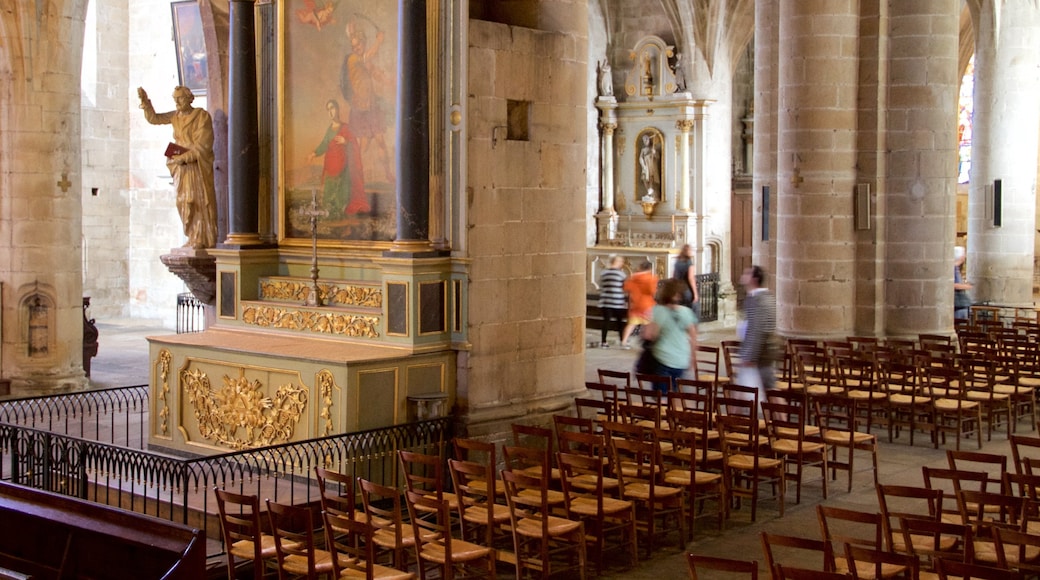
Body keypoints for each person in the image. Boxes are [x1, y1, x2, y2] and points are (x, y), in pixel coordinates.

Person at [138, 86, 218, 249]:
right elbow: (155, 119)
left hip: (196, 167)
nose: (177, 102)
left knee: (195, 201)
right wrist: (145, 103)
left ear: (189, 98)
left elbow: (203, 146)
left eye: (180, 98)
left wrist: (185, 157)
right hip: (180, 167)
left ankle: (200, 238)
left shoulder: (201, 116)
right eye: (174, 99)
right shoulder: (175, 116)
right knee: (181, 201)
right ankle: (191, 236)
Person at [340, 21, 394, 184]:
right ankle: (352, 178)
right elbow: (367, 57)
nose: (356, 48)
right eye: (354, 46)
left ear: (363, 43)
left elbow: (376, 73)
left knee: (380, 141)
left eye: (359, 45)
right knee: (363, 146)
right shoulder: (352, 60)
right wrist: (379, 40)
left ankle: (387, 174)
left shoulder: (364, 61)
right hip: (360, 109)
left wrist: (389, 81)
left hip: (372, 107)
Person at [307, 99, 370, 216]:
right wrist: (313, 154)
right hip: (331, 165)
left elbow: (355, 145)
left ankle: (340, 211)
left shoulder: (346, 127)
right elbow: (324, 144)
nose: (330, 112)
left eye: (332, 108)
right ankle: (331, 212)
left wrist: (346, 141)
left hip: (343, 168)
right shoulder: (330, 129)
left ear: (337, 109)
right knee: (329, 196)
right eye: (328, 109)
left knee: (342, 197)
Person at [637, 278, 699, 394]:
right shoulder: (686, 312)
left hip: (662, 358)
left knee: (662, 399)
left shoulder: (657, 311)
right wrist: (692, 359)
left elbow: (649, 335)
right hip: (681, 359)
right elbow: (693, 338)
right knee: (677, 396)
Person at [737, 265, 778, 396]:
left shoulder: (758, 300)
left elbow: (755, 329)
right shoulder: (762, 297)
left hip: (760, 354)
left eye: (747, 274)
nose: (743, 276)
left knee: (770, 390)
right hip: (761, 352)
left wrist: (749, 356)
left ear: (754, 279)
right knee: (768, 391)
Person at [621, 260, 658, 349]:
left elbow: (626, 287)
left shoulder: (634, 278)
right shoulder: (651, 278)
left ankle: (624, 341)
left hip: (635, 304)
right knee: (649, 324)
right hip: (647, 304)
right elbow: (652, 291)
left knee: (631, 324)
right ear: (649, 269)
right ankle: (648, 341)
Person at [597, 256, 627, 348]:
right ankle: (622, 342)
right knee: (620, 323)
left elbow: (600, 285)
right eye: (621, 261)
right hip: (617, 301)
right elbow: (625, 287)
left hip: (606, 300)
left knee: (606, 322)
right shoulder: (621, 274)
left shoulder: (604, 273)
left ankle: (603, 342)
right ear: (617, 262)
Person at [672, 244, 700, 313]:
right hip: (687, 289)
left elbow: (674, 277)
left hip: (678, 289)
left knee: (680, 311)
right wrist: (695, 293)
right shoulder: (688, 262)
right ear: (688, 251)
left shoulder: (677, 262)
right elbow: (691, 278)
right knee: (690, 311)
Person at [954, 246, 972, 320]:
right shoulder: (953, 268)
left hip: (960, 304)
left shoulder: (956, 268)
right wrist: (965, 286)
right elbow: (952, 285)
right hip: (957, 303)